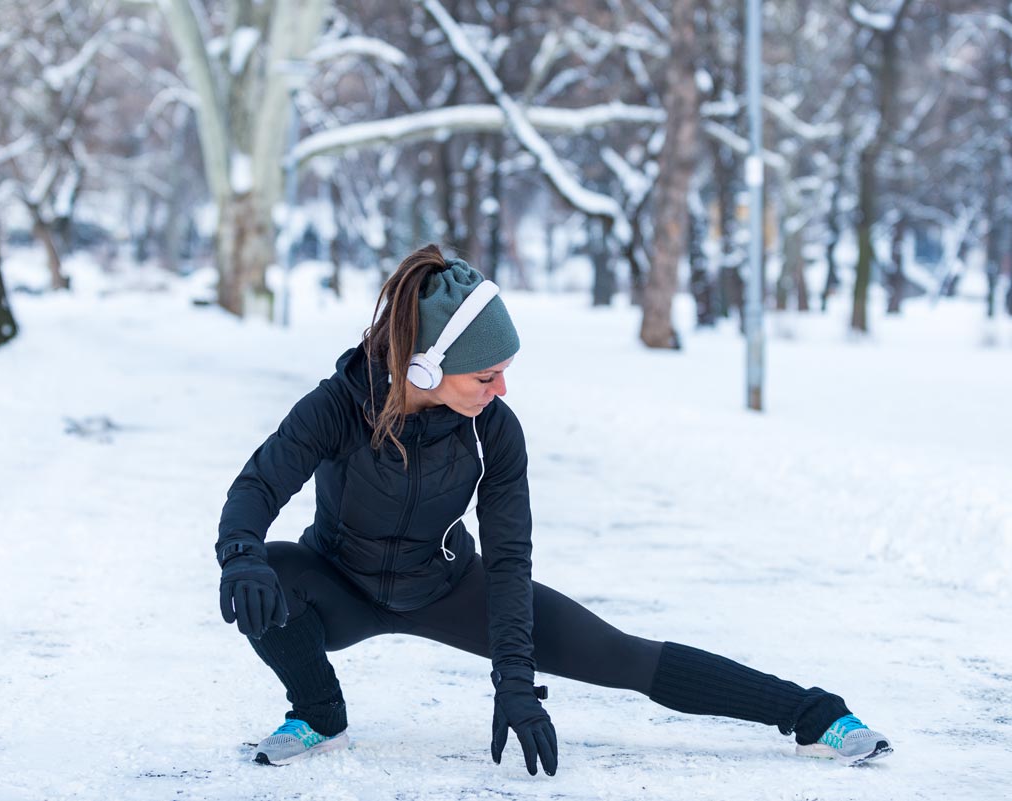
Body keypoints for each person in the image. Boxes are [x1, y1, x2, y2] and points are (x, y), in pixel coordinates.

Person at [215, 244, 892, 774]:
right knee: (267, 573)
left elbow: (509, 558)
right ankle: (318, 712)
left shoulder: (492, 429)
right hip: (339, 586)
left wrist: (513, 679)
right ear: (424, 366)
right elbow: (256, 487)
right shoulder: (339, 405)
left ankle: (813, 713)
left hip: (446, 587)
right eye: (486, 374)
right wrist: (240, 554)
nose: (501, 386)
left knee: (623, 654)